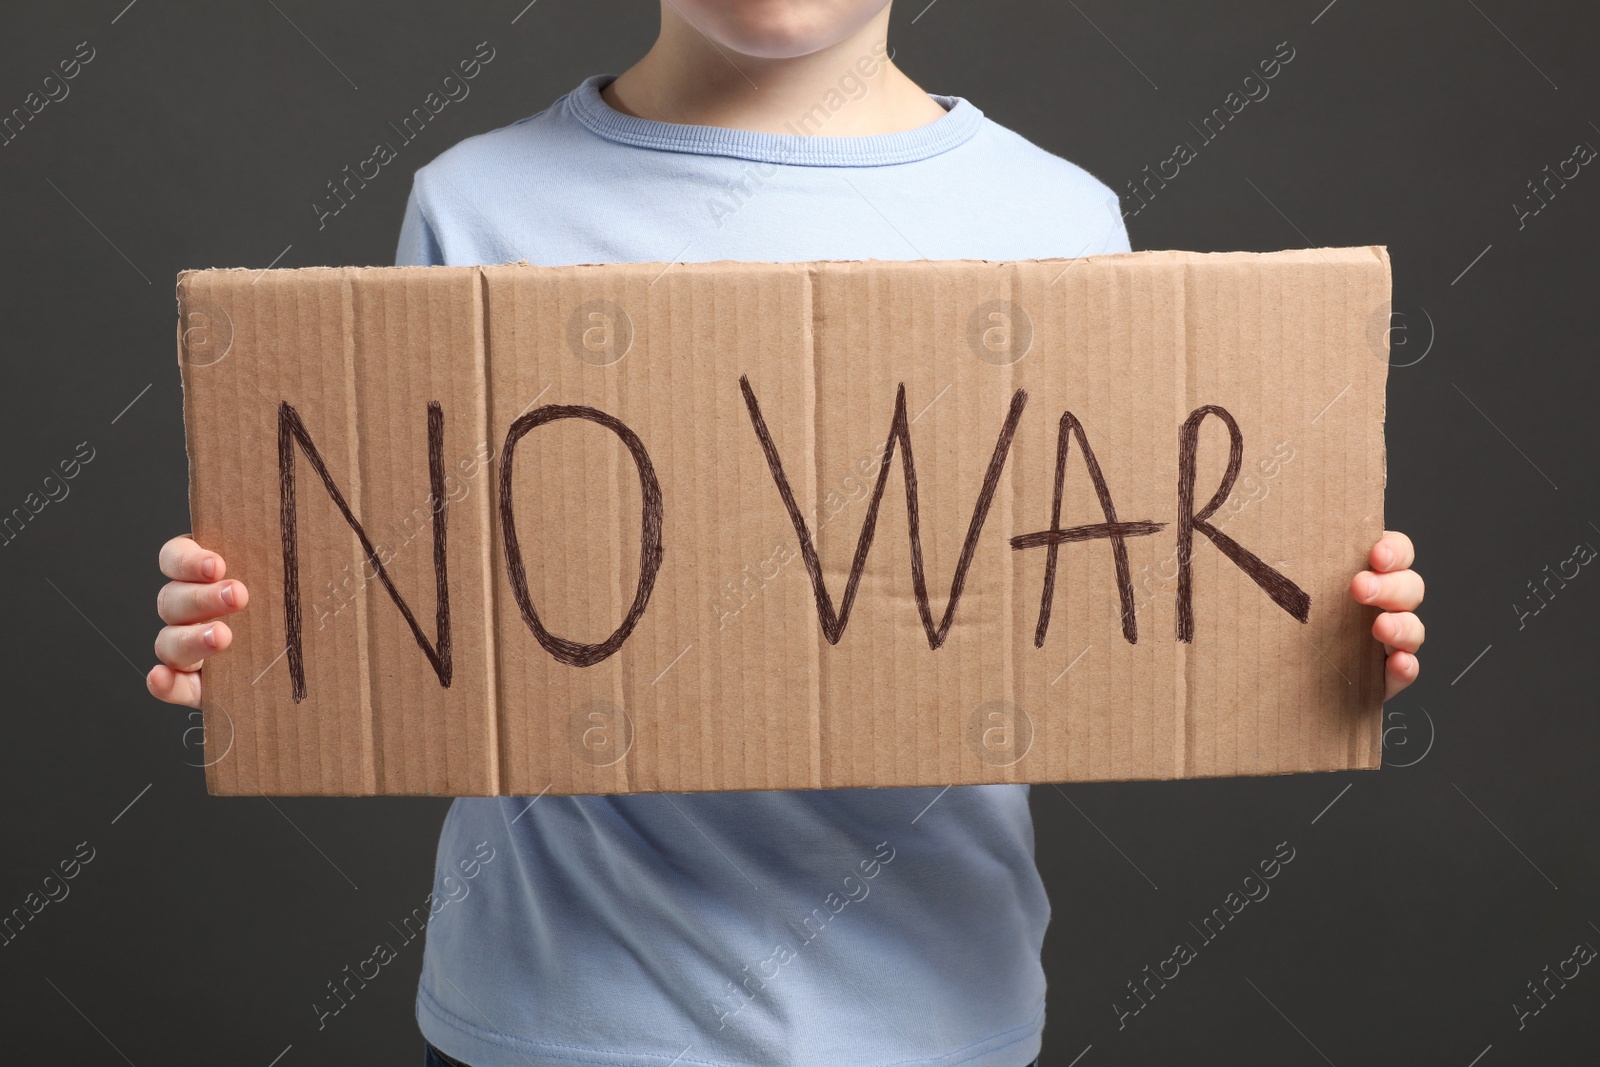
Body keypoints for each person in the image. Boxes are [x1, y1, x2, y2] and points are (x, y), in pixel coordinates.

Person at [147, 2, 1427, 1064]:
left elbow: (1128, 596)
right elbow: (407, 586)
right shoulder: (478, 206)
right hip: (557, 1022)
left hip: (934, 1016)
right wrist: (251, 618)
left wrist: (1312, 621)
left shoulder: (1056, 222)